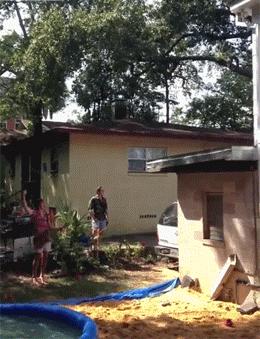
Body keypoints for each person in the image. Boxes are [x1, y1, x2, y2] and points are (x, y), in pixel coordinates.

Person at [22, 190, 53, 285]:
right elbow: (25, 206)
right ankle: (34, 277)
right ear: (39, 204)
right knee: (38, 258)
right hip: (38, 238)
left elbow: (50, 226)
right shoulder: (34, 213)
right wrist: (23, 196)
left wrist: (57, 227)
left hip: (46, 236)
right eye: (43, 203)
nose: (44, 205)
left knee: (46, 256)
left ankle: (41, 275)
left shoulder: (46, 214)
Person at [88, 186, 108, 252]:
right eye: (101, 191)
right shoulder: (93, 199)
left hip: (103, 218)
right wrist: (94, 218)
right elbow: (90, 210)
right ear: (98, 191)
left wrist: (107, 217)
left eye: (103, 191)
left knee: (101, 233)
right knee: (95, 232)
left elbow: (106, 209)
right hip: (96, 218)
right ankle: (94, 246)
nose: (103, 192)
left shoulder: (104, 199)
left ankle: (96, 245)